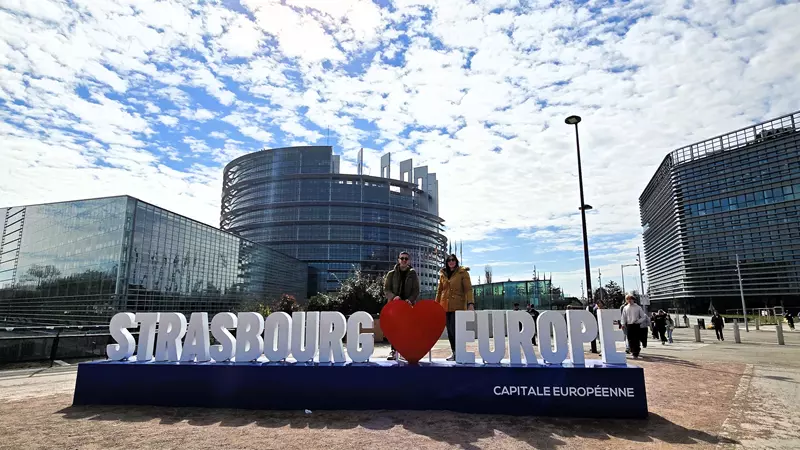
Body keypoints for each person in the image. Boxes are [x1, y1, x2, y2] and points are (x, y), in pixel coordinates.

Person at [435, 254, 474, 361]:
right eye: (449, 260)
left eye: (453, 260)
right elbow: (439, 291)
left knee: (456, 330)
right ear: (447, 263)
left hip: (458, 305)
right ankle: (454, 352)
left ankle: (460, 352)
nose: (451, 262)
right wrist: (436, 305)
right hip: (445, 306)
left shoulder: (462, 273)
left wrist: (470, 303)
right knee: (450, 331)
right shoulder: (443, 274)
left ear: (456, 261)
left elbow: (468, 289)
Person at [383, 251, 420, 360]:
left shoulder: (413, 273)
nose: (404, 260)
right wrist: (393, 297)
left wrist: (410, 299)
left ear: (408, 261)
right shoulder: (391, 274)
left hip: (408, 306)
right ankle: (393, 351)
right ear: (398, 260)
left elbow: (416, 290)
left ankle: (404, 351)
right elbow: (386, 289)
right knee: (394, 329)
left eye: (406, 259)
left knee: (406, 329)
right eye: (402, 258)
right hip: (394, 306)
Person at [621, 294, 647, 358]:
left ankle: (636, 352)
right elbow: (623, 317)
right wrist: (623, 324)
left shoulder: (638, 307)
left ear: (633, 299)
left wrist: (638, 321)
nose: (629, 300)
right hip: (629, 325)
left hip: (636, 325)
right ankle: (632, 350)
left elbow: (643, 317)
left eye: (630, 299)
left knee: (636, 339)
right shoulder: (625, 307)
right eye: (627, 299)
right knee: (630, 339)